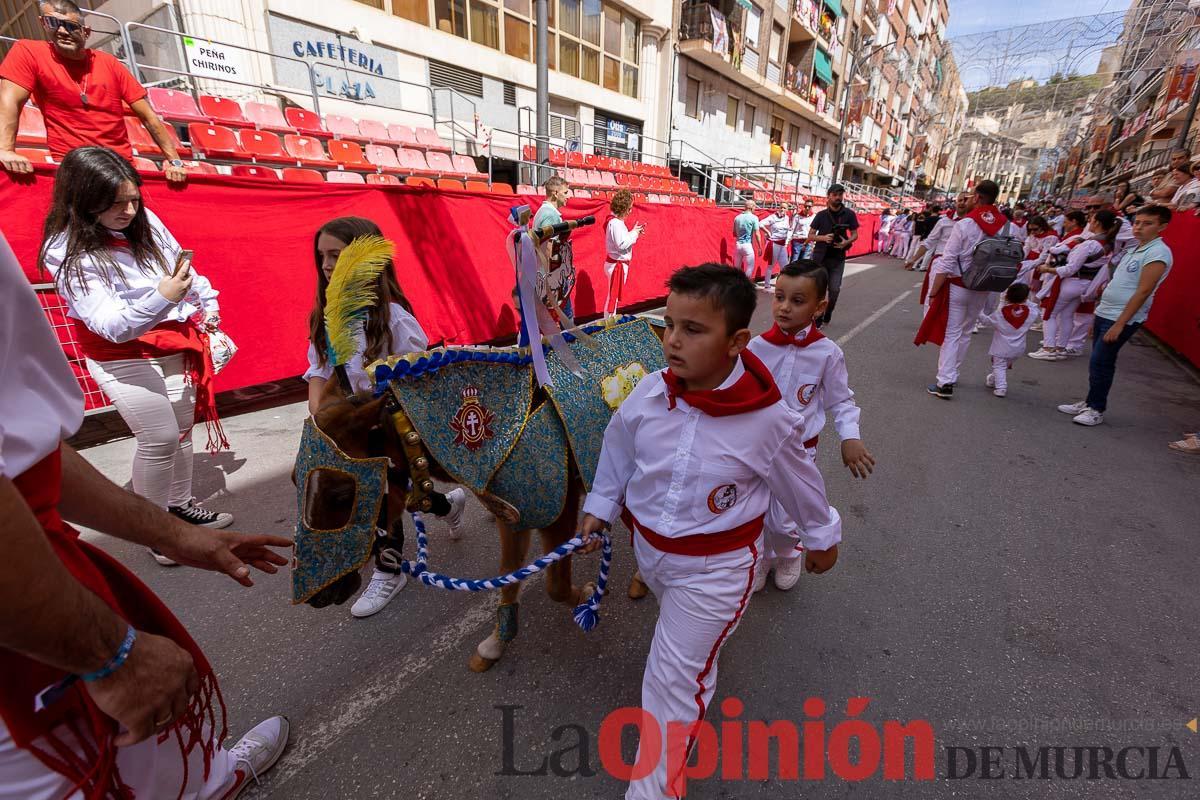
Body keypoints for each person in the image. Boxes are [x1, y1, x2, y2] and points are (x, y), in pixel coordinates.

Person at [0, 228, 292, 800]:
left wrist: (178, 535)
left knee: (175, 436)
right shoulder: (78, 255)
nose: (130, 212)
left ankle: (208, 781)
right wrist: (111, 656)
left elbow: (30, 455)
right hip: (27, 621)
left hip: (37, 581)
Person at [576, 264, 841, 800]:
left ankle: (654, 790)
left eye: (693, 330)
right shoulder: (650, 392)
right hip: (649, 556)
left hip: (716, 571)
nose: (672, 340)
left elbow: (799, 480)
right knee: (689, 664)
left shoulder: (768, 420)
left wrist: (820, 536)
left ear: (737, 341)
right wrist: (601, 503)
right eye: (670, 324)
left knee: (669, 680)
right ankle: (696, 671)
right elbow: (618, 446)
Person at [40, 147, 229, 563]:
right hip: (119, 352)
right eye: (116, 202)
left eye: (134, 199)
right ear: (83, 198)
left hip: (174, 341)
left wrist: (205, 304)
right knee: (159, 436)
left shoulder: (143, 219)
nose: (129, 210)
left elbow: (183, 268)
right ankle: (158, 531)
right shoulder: (65, 248)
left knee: (179, 432)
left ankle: (179, 509)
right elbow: (111, 325)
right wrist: (164, 297)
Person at [304, 215, 468, 617]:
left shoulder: (394, 320)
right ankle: (448, 507)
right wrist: (322, 417)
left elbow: (418, 385)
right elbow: (319, 373)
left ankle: (388, 570)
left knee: (383, 499)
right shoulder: (326, 321)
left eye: (336, 256)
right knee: (400, 499)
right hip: (348, 433)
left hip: (390, 430)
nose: (326, 266)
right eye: (321, 256)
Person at [746, 259, 873, 591]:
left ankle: (788, 553)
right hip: (756, 449)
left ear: (820, 306)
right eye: (779, 297)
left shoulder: (827, 353)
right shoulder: (755, 348)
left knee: (788, 514)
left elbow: (840, 400)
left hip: (800, 451)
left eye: (798, 301)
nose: (784, 307)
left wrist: (850, 437)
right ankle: (762, 556)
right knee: (756, 510)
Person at [0, 0, 187, 181]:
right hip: (74, 167)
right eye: (53, 23)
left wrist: (175, 161)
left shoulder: (110, 63)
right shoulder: (29, 52)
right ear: (43, 22)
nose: (63, 31)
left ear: (86, 32)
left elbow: (148, 116)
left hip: (120, 167)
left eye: (71, 26)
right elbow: (10, 100)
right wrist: (6, 150)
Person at [1057, 205, 1174, 427]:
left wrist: (1121, 323)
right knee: (1097, 362)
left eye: (1147, 223)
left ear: (1162, 226)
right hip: (1106, 312)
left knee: (1102, 362)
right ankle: (1091, 401)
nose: (1139, 228)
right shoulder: (1136, 249)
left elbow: (1143, 291)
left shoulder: (1158, 253)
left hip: (1122, 317)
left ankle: (1096, 408)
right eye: (1137, 222)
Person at [915, 179, 1007, 400]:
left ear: (977, 197)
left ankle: (945, 381)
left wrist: (934, 290)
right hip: (985, 285)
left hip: (959, 284)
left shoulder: (965, 224)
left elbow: (947, 261)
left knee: (952, 332)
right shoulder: (1004, 224)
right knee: (966, 331)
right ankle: (952, 374)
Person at [1029, 210, 1117, 361]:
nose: (1089, 222)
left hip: (1072, 282)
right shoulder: (1109, 243)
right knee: (1067, 315)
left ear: (1097, 223)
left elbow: (1070, 268)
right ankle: (1061, 348)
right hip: (1087, 284)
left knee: (1049, 314)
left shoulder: (1090, 244)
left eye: (1092, 219)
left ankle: (1049, 348)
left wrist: (1047, 269)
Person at [807, 183, 859, 327]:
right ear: (828, 196)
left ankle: (828, 312)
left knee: (835, 290)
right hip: (820, 257)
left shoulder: (849, 214)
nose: (838, 198)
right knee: (820, 291)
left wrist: (846, 242)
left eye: (840, 195)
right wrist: (823, 238)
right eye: (835, 195)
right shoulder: (821, 215)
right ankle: (818, 317)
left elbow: (855, 234)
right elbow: (810, 235)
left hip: (838, 258)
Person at [981, 282, 1039, 398]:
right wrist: (1024, 300)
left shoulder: (1001, 313)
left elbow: (986, 321)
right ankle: (992, 379)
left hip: (1001, 347)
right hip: (1018, 349)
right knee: (1002, 367)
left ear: (1007, 296)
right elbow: (1034, 306)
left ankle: (1001, 388)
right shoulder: (1031, 313)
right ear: (1026, 297)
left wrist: (978, 312)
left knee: (999, 366)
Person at [602, 189, 644, 317]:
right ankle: (608, 324)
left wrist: (633, 232)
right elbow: (622, 244)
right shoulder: (616, 223)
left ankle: (609, 322)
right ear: (624, 208)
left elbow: (622, 241)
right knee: (612, 298)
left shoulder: (615, 222)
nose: (630, 211)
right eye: (629, 208)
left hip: (616, 264)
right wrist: (635, 233)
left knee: (612, 297)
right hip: (617, 265)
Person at [1016, 215, 1059, 287]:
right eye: (1030, 230)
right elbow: (1026, 247)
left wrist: (1029, 265)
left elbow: (1044, 255)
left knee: (1034, 288)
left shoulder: (1051, 237)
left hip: (1040, 264)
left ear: (1042, 227)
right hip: (1029, 262)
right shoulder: (1032, 234)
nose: (1032, 232)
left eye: (1035, 229)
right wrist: (1020, 259)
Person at [761, 203, 792, 291]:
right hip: (774, 243)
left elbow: (788, 229)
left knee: (785, 266)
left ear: (787, 209)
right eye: (781, 207)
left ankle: (784, 285)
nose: (782, 209)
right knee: (771, 265)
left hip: (782, 245)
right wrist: (767, 232)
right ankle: (767, 285)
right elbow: (760, 224)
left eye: (785, 208)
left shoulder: (787, 217)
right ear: (778, 208)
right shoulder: (773, 217)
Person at [732, 199, 763, 280]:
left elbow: (734, 233)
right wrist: (760, 247)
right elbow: (757, 233)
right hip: (747, 245)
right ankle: (745, 283)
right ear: (751, 207)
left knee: (736, 269)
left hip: (738, 244)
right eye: (755, 207)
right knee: (750, 267)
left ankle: (736, 285)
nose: (755, 209)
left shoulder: (737, 217)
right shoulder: (754, 218)